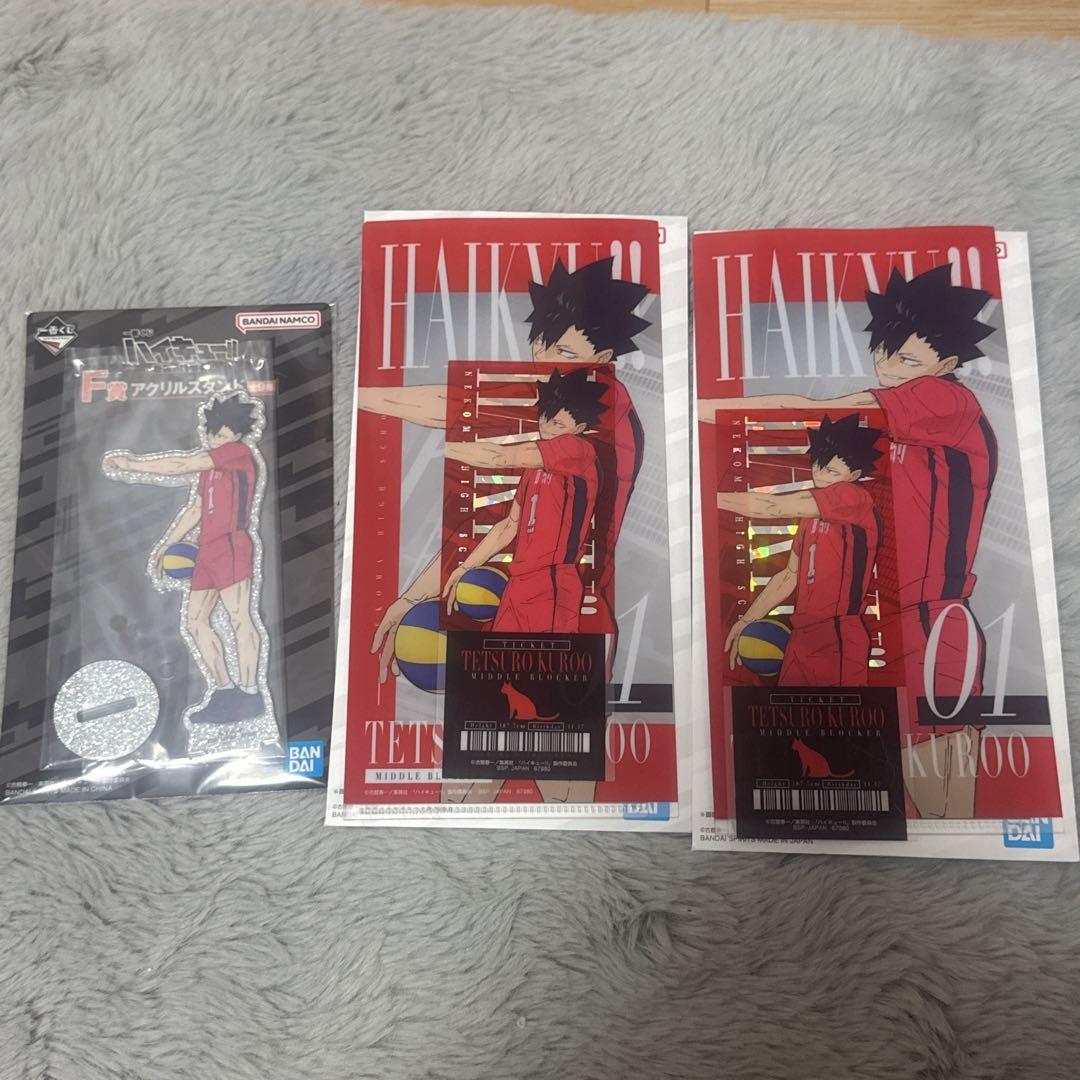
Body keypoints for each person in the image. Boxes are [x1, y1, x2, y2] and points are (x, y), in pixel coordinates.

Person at [703, 264, 997, 817]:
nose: (889, 367)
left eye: (908, 359)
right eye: (884, 352)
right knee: (879, 796)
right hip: (874, 625)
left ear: (946, 365)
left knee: (944, 806)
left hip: (929, 620)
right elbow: (794, 559)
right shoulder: (867, 459)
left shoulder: (943, 401)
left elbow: (808, 414)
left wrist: (700, 413)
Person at [365, 256, 649, 682]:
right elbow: (501, 529)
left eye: (564, 352)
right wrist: (413, 598)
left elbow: (452, 406)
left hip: (572, 612)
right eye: (539, 344)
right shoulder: (550, 444)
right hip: (525, 599)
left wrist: (361, 397)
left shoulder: (600, 400)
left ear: (603, 357)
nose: (544, 361)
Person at [104, 394, 266, 725]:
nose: (217, 440)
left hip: (232, 543)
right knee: (195, 622)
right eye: (214, 434)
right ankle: (225, 691)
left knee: (239, 618)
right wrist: (167, 545)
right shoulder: (211, 466)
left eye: (224, 435)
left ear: (238, 436)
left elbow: (179, 465)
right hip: (207, 549)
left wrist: (131, 464)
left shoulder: (237, 454)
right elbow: (196, 509)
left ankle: (251, 693)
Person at [719, 414, 882, 686]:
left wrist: (706, 499)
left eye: (831, 471)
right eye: (817, 464)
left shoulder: (854, 498)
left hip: (837, 633)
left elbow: (773, 507)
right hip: (801, 634)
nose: (819, 474)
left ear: (854, 475)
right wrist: (747, 620)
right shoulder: (810, 517)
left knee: (839, 710)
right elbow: (789, 575)